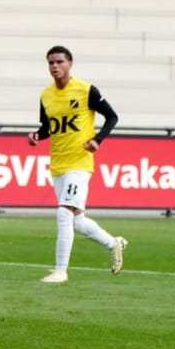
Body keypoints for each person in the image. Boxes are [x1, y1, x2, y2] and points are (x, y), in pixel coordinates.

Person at [25, 46, 128, 283]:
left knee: (63, 212)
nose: (54, 66)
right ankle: (113, 243)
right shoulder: (46, 95)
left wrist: (97, 140)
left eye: (59, 62)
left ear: (70, 64)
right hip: (58, 164)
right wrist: (36, 136)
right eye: (51, 62)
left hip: (79, 163)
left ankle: (61, 270)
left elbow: (112, 116)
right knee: (77, 220)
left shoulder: (86, 90)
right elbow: (48, 128)